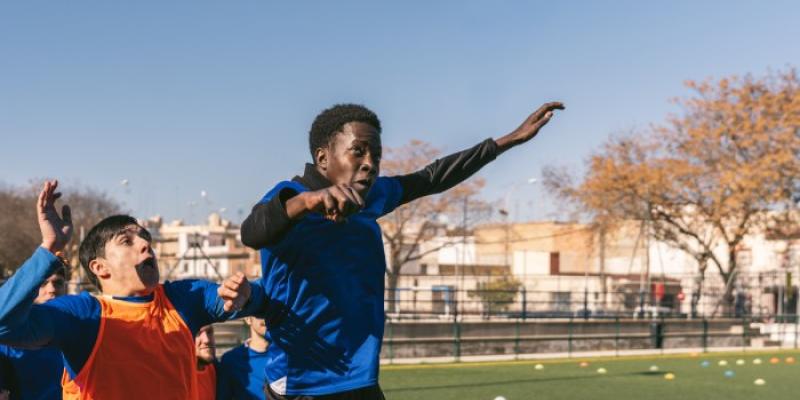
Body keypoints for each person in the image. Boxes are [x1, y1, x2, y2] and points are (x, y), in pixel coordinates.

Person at [241, 102, 564, 398]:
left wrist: (506, 141)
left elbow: (431, 178)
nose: (370, 164)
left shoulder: (370, 198)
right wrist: (305, 203)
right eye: (358, 152)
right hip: (304, 381)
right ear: (323, 157)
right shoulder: (290, 196)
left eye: (376, 156)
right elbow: (253, 232)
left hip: (357, 375)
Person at [0, 180, 267, 399]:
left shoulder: (183, 299)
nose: (144, 244)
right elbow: (4, 323)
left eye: (145, 238)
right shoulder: (83, 316)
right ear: (100, 267)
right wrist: (49, 248)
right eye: (127, 241)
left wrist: (247, 296)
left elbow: (254, 299)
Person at [0, 262, 68, 400]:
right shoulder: (6, 337)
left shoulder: (78, 329)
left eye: (58, 283)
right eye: (43, 284)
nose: (52, 289)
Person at [217, 317, 269, 399]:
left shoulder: (286, 356)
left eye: (270, 312)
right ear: (248, 319)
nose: (266, 317)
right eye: (260, 313)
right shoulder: (231, 360)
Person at [195, 325, 218, 400]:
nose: (207, 340)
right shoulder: (174, 378)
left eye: (209, 332)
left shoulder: (218, 371)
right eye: (197, 333)